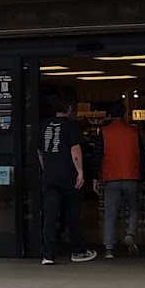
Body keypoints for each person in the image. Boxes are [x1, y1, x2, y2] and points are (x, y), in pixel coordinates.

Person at [36, 91, 96, 264]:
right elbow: (74, 150)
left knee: (50, 216)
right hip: (68, 176)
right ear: (69, 109)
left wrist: (46, 168)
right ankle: (78, 251)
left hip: (50, 177)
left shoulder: (44, 125)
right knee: (73, 215)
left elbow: (40, 151)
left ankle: (48, 254)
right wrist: (80, 171)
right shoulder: (71, 125)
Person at [98, 101, 145, 257]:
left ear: (109, 115)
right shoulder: (133, 132)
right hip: (131, 176)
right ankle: (130, 233)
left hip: (111, 177)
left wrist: (95, 177)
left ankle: (109, 248)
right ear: (124, 114)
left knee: (110, 214)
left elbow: (98, 155)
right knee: (134, 208)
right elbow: (142, 156)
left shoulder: (104, 132)